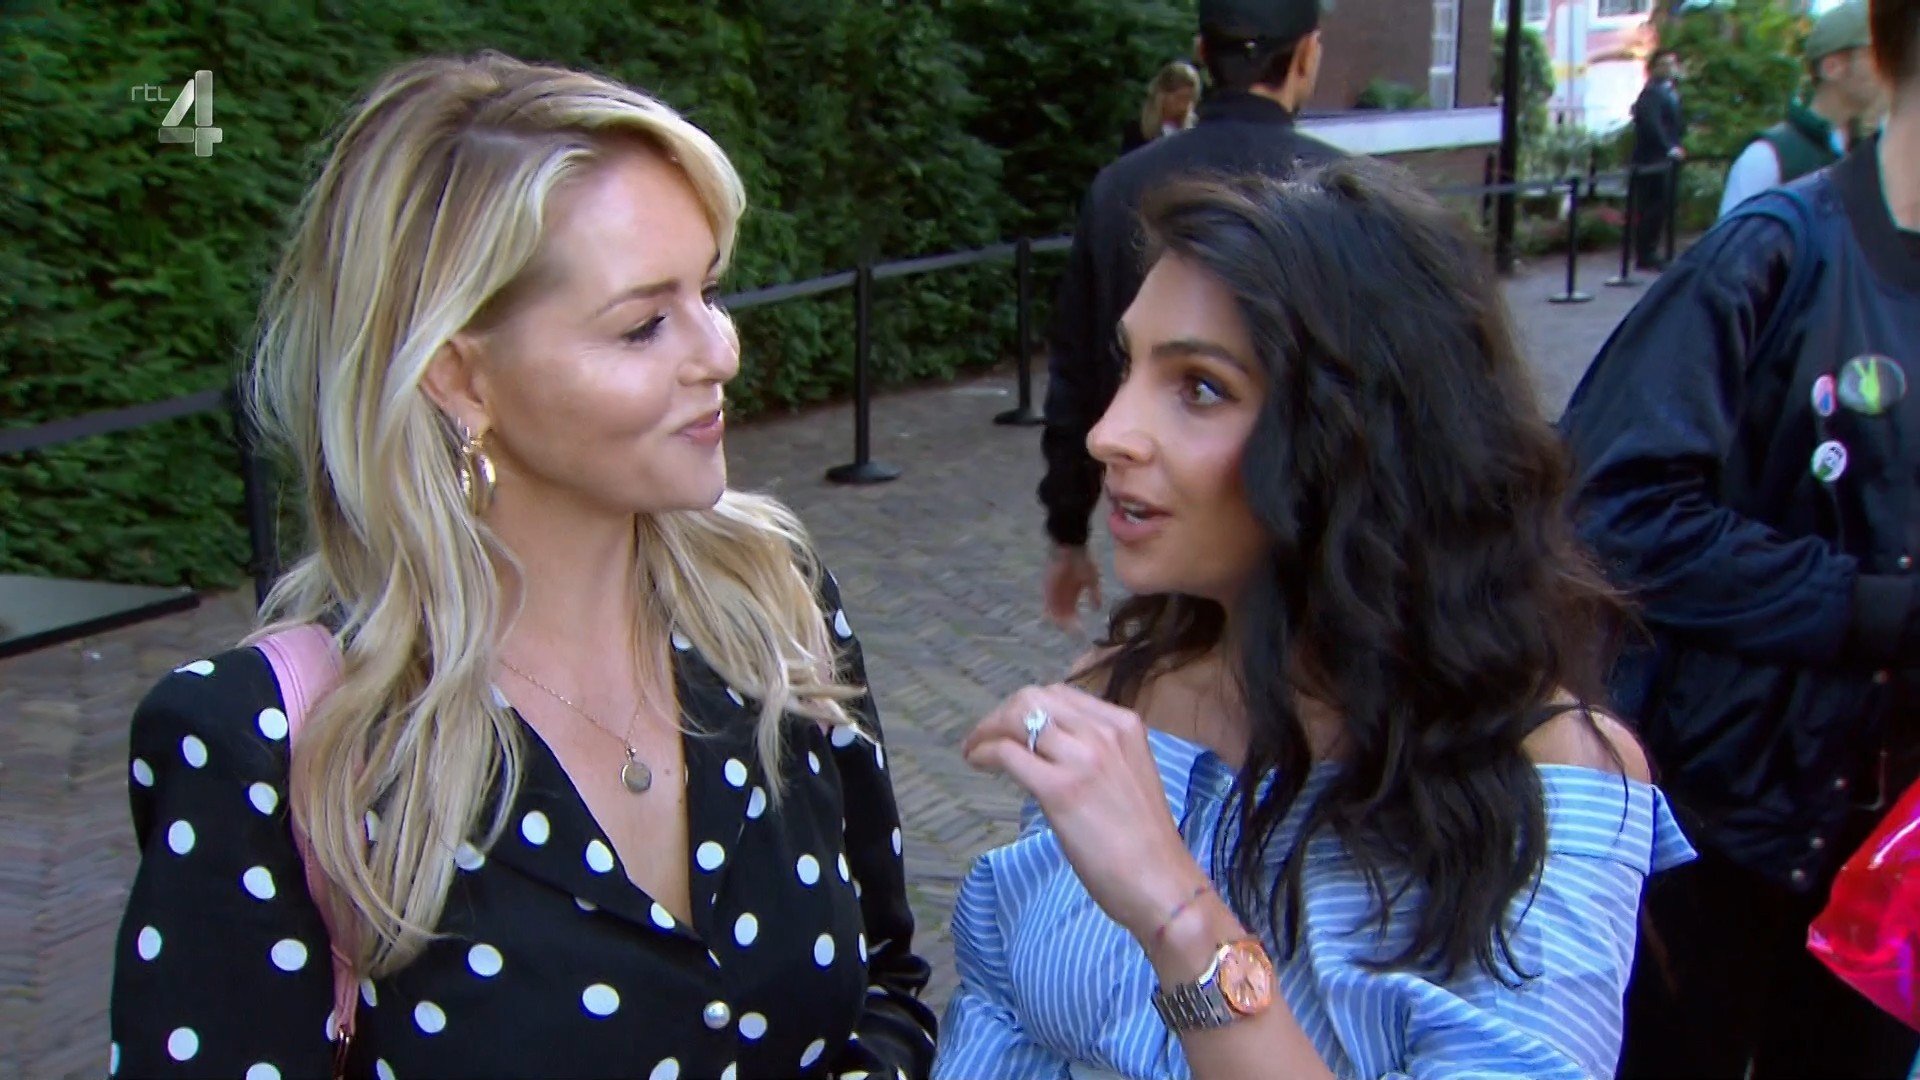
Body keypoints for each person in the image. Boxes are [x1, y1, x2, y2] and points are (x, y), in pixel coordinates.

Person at [106, 52, 936, 1080]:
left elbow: (886, 980)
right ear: (460, 378)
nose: (721, 350)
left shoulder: (773, 602)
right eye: (643, 324)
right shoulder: (276, 749)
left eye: (710, 290)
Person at [934, 159, 1695, 1080]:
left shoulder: (1544, 778)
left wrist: (1181, 917)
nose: (1109, 432)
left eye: (1200, 387)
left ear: (1357, 439)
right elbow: (997, 1022)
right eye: (1130, 365)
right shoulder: (1116, 697)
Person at [1557, 0, 1920, 1069]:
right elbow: (1610, 511)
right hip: (1718, 835)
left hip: (1888, 877)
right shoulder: (1775, 256)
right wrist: (1865, 608)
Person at [1039, 0, 1343, 636]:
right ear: (1307, 55)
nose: (1110, 434)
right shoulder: (1347, 199)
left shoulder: (1122, 186)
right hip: (1321, 570)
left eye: (1201, 388)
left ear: (1204, 55)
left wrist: (1068, 529)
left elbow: (1077, 375)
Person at [1718, 0, 1884, 218]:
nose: (1887, 67)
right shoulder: (1768, 157)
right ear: (1832, 67)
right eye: (1876, 54)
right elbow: (1737, 239)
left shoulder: (1869, 152)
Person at [1628, 50, 1687, 270]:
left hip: (1664, 160)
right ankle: (1645, 254)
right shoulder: (1652, 93)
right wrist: (1669, 148)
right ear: (1654, 68)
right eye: (1664, 64)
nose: (1670, 68)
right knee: (1651, 207)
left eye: (1672, 63)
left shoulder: (1669, 91)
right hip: (1652, 160)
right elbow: (1652, 124)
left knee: (1661, 207)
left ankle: (1653, 250)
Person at [1120, 61, 1203, 156]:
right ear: (1162, 95)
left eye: (1189, 99)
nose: (1184, 105)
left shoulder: (1196, 128)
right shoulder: (1137, 130)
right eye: (1179, 98)